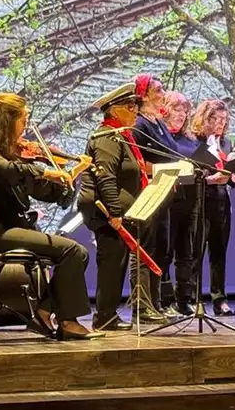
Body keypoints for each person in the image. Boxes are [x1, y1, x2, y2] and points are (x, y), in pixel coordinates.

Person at [0, 93, 100, 340]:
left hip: (15, 228)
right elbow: (6, 171)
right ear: (8, 121)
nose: (26, 125)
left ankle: (43, 312)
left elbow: (52, 196)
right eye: (23, 119)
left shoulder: (14, 155)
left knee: (77, 253)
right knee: (72, 252)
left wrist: (70, 176)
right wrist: (45, 171)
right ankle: (66, 321)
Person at [78, 83, 165, 329]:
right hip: (106, 212)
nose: (135, 111)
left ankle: (108, 315)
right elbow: (106, 177)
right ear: (114, 111)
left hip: (123, 212)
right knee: (111, 262)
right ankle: (104, 316)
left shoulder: (123, 135)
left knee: (117, 262)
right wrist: (115, 212)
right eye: (130, 107)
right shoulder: (106, 137)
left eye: (136, 106)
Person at [130, 74, 183, 319]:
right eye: (159, 90)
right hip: (148, 192)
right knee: (147, 248)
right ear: (144, 95)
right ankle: (143, 305)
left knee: (162, 249)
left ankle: (156, 302)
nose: (163, 93)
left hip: (165, 192)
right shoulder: (139, 124)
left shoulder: (159, 122)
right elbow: (139, 161)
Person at [190, 98, 235, 317]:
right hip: (200, 200)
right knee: (195, 252)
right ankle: (191, 298)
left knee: (218, 253)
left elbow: (228, 178)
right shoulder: (194, 141)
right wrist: (210, 179)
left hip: (222, 201)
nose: (220, 123)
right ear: (204, 118)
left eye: (224, 119)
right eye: (215, 119)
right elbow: (192, 172)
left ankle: (219, 299)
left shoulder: (227, 143)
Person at [161, 90, 200, 315]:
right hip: (168, 200)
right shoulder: (162, 137)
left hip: (190, 200)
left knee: (186, 253)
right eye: (176, 108)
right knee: (165, 252)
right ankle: (164, 300)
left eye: (184, 109)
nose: (181, 113)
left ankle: (184, 299)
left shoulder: (190, 139)